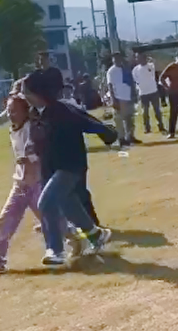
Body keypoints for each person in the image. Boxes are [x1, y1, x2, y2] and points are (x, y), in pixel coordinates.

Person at [20, 72, 116, 267]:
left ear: (38, 92)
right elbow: (38, 136)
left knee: (46, 202)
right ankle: (96, 235)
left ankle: (55, 250)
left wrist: (108, 134)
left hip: (70, 165)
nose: (24, 96)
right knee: (69, 205)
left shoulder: (63, 110)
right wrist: (31, 148)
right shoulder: (35, 113)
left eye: (26, 92)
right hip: (49, 167)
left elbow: (87, 122)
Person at [0, 95, 44, 273]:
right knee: (6, 218)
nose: (10, 115)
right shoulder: (14, 130)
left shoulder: (32, 129)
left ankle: (79, 238)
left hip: (37, 183)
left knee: (52, 220)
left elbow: (40, 153)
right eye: (8, 111)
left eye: (14, 111)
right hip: (20, 184)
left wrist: (29, 158)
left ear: (25, 112)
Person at [105, 52, 136, 147]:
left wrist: (133, 94)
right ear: (113, 60)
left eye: (118, 58)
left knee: (129, 119)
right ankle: (121, 138)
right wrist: (113, 99)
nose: (117, 60)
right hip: (118, 97)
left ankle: (130, 137)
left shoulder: (125, 69)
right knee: (119, 120)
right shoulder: (111, 71)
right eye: (115, 58)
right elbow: (110, 85)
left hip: (128, 96)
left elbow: (131, 82)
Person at [132, 53, 163, 134]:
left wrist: (150, 59)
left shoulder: (151, 65)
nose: (138, 59)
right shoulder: (135, 70)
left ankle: (161, 126)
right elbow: (136, 81)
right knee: (145, 112)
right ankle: (147, 128)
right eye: (137, 58)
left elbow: (156, 64)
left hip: (153, 91)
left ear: (144, 58)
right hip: (143, 93)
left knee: (157, 110)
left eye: (140, 57)